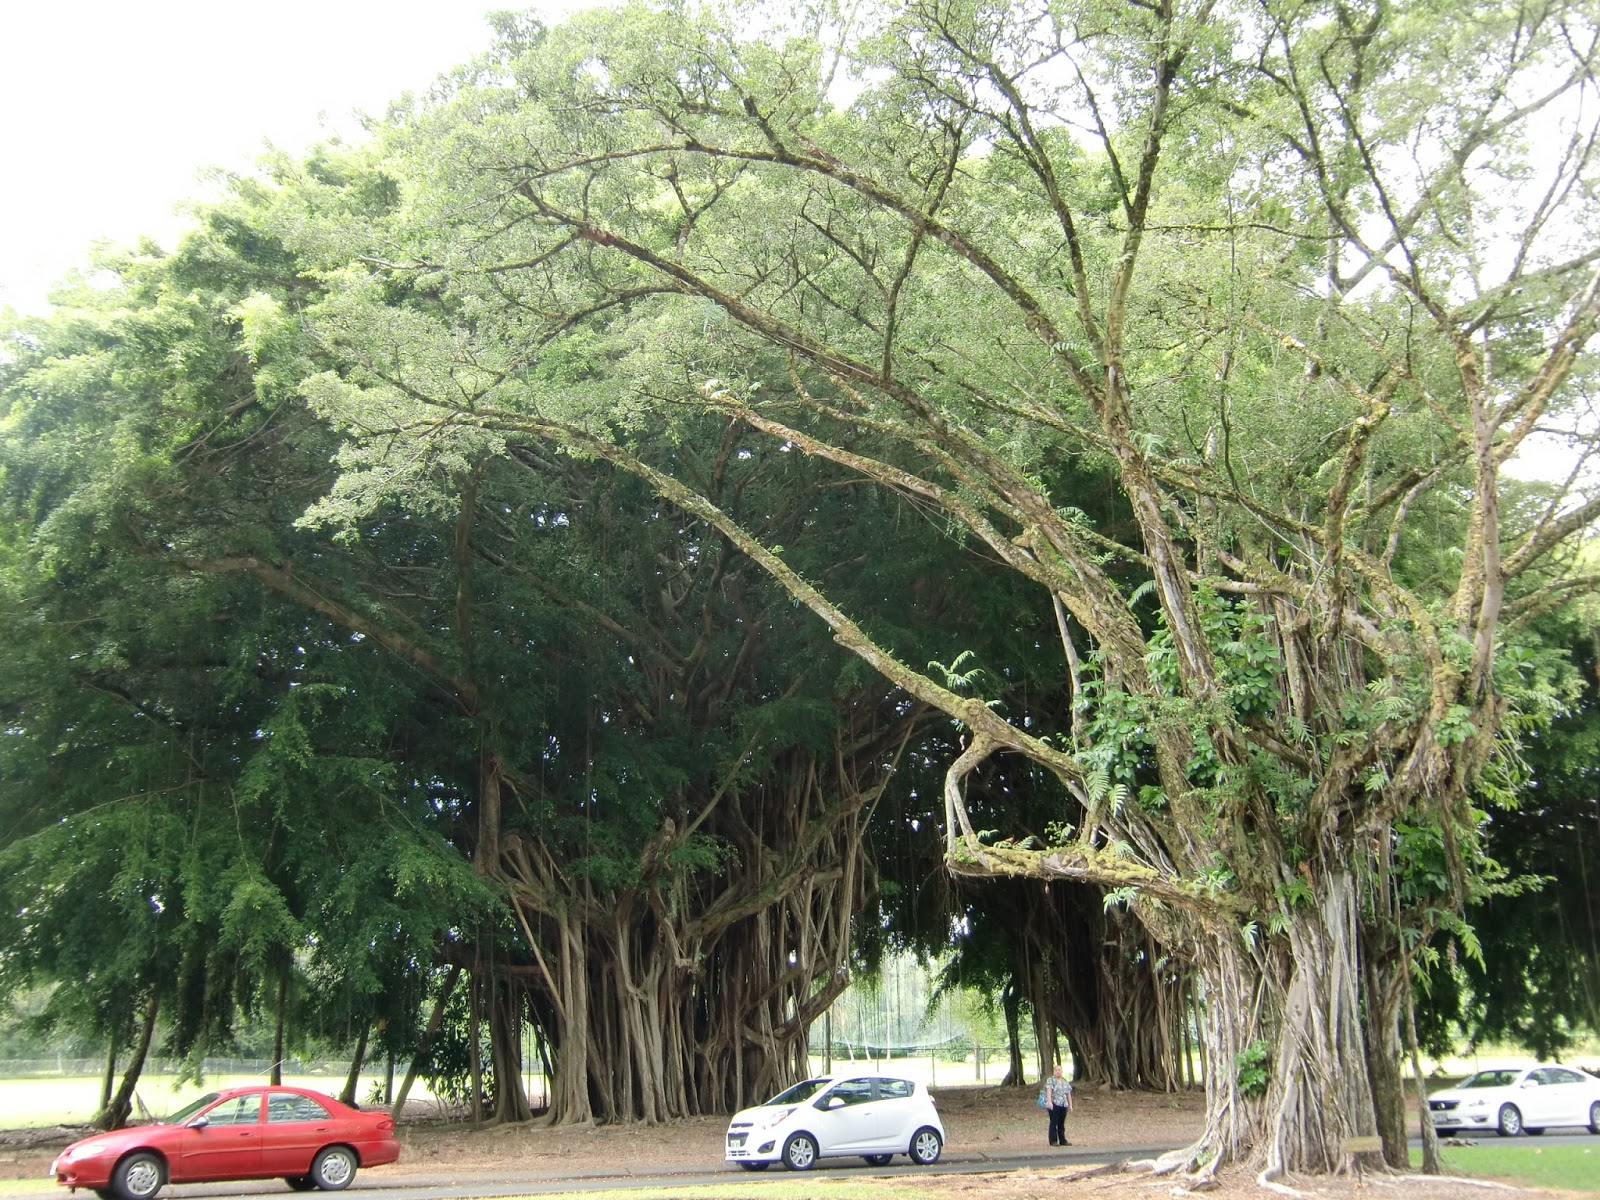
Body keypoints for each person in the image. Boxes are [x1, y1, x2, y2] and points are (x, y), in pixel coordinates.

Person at [1044, 1063, 1074, 1146]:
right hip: (1054, 1103)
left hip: (1063, 1104)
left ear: (1062, 1071)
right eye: (1056, 1070)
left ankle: (1062, 1140)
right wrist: (1049, 1102)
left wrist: (1070, 1105)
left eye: (1059, 1070)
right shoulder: (1051, 1080)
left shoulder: (1065, 1081)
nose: (1058, 1072)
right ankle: (1053, 1140)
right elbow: (1049, 1091)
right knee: (1054, 1122)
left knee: (1061, 1123)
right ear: (1053, 1071)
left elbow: (1068, 1093)